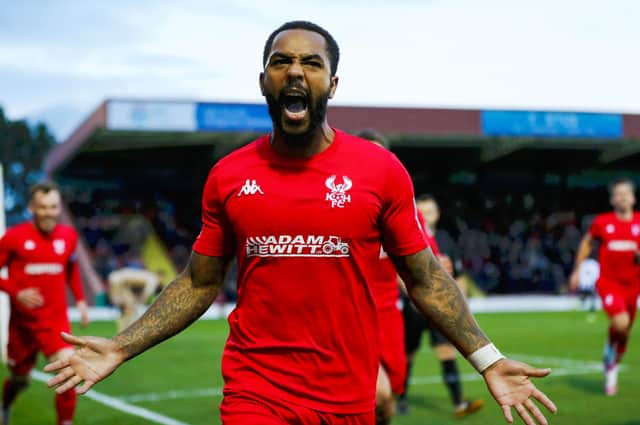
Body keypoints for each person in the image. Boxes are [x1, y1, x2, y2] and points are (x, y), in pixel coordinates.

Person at [46, 21, 556, 425]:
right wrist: (120, 346)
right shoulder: (228, 175)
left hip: (348, 394)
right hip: (256, 388)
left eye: (312, 63)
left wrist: (487, 359)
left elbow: (424, 279)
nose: (295, 72)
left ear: (332, 83)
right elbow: (199, 283)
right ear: (263, 80)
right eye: (281, 61)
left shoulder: (380, 171)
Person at [0, 181, 89, 425]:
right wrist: (16, 292)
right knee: (20, 381)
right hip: (22, 327)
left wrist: (80, 301)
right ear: (32, 207)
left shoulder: (68, 236)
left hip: (54, 323)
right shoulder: (13, 237)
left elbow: (71, 268)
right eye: (43, 207)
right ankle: (5, 405)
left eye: (53, 207)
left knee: (70, 373)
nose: (49, 212)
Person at [398, 194, 484, 417]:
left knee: (447, 351)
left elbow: (460, 275)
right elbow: (398, 271)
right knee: (408, 354)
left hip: (440, 306)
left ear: (437, 214)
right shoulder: (407, 237)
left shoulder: (446, 241)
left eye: (429, 212)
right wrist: (416, 296)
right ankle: (400, 399)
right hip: (414, 308)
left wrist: (460, 303)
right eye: (421, 211)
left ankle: (458, 403)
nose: (425, 216)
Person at [355, 129, 408, 425]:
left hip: (389, 318)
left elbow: (413, 269)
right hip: (350, 319)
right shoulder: (336, 203)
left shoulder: (399, 207)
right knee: (379, 395)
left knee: (386, 405)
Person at [569, 177, 640, 396]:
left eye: (625, 194)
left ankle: (611, 366)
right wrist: (577, 269)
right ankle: (611, 354)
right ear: (612, 199)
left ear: (633, 198)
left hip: (633, 285)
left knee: (625, 332)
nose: (622, 198)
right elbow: (587, 242)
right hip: (609, 284)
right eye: (618, 194)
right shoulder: (602, 222)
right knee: (621, 322)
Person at [108, 261, 160, 332]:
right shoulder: (153, 280)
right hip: (119, 282)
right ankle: (126, 330)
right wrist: (138, 301)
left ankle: (125, 330)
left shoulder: (149, 277)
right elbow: (145, 295)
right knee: (129, 309)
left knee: (127, 310)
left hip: (121, 281)